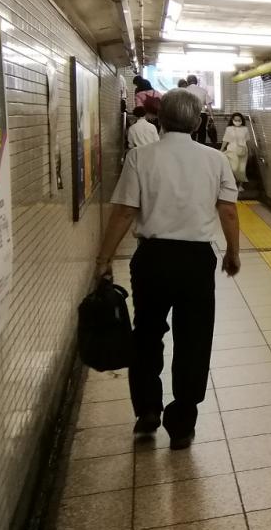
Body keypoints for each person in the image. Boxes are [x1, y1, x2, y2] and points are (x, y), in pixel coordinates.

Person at [94, 89, 240, 450]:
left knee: (146, 334)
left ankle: (147, 413)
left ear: (161, 118)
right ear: (198, 120)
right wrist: (233, 252)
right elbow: (229, 211)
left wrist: (103, 260)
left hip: (153, 258)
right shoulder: (214, 159)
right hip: (196, 261)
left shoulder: (140, 158)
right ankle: (183, 424)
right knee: (194, 338)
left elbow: (125, 212)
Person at [221, 112, 249, 191]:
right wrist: (222, 149)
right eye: (235, 120)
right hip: (232, 150)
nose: (237, 121)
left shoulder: (245, 129)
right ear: (232, 120)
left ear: (242, 120)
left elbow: (247, 141)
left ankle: (240, 185)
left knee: (242, 169)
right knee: (234, 168)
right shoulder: (229, 129)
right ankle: (232, 183)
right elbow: (225, 140)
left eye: (239, 120)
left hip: (243, 151)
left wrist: (249, 151)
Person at [185, 74, 213, 144]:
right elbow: (209, 105)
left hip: (189, 115)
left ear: (187, 82)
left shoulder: (184, 91)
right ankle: (201, 149)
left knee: (191, 133)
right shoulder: (203, 91)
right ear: (196, 82)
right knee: (202, 133)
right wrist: (212, 116)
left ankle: (191, 150)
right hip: (202, 115)